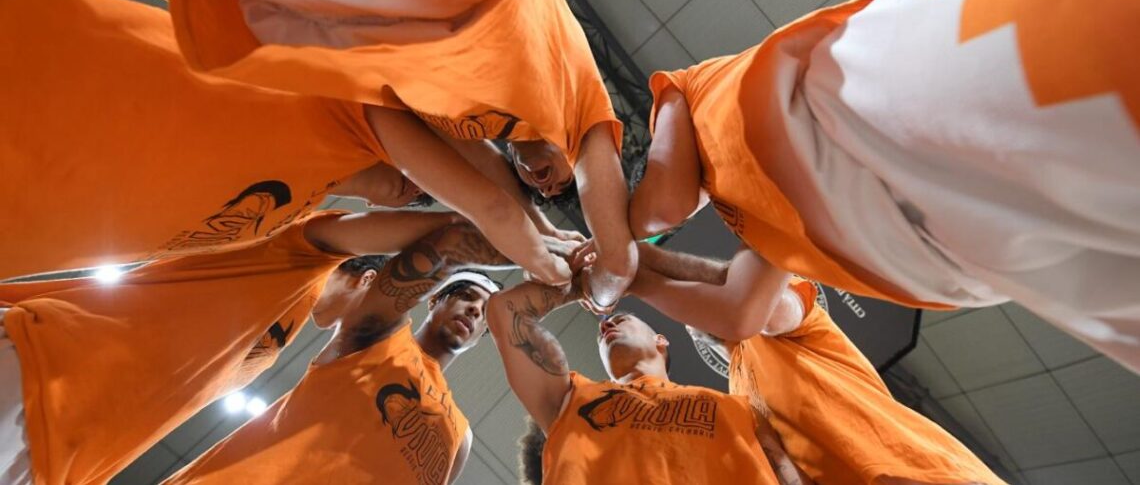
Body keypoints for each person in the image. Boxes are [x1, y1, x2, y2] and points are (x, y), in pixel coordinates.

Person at [16, 0, 638, 299]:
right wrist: (605, 271)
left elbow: (466, 170)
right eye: (557, 177)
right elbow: (590, 177)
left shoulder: (418, 119)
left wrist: (529, 225)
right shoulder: (571, 94)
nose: (543, 175)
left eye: (544, 185)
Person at [628, 0, 1140, 371]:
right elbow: (738, 312)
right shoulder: (766, 218)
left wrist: (618, 249)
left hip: (915, 161)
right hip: (919, 181)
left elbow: (654, 214)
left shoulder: (683, 89)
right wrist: (634, 274)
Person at [0, 211, 523, 484]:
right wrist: (524, 246)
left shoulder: (274, 339)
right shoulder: (297, 256)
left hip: (68, 456)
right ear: (366, 278)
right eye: (461, 297)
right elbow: (425, 242)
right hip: (44, 370)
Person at [627, 242, 1008, 484]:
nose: (689, 309)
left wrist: (638, 265)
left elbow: (761, 307)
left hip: (921, 474)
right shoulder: (736, 389)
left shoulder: (793, 316)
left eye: (695, 299)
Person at [164, 233, 509, 484]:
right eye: (466, 295)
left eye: (485, 314)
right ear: (434, 301)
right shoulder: (382, 334)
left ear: (483, 336)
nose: (475, 310)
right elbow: (399, 279)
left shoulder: (460, 438)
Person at [484, 278, 805, 484]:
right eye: (602, 331)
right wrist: (586, 284)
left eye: (620, 319)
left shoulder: (736, 408)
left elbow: (787, 473)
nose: (606, 326)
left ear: (661, 340)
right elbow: (503, 311)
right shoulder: (571, 400)